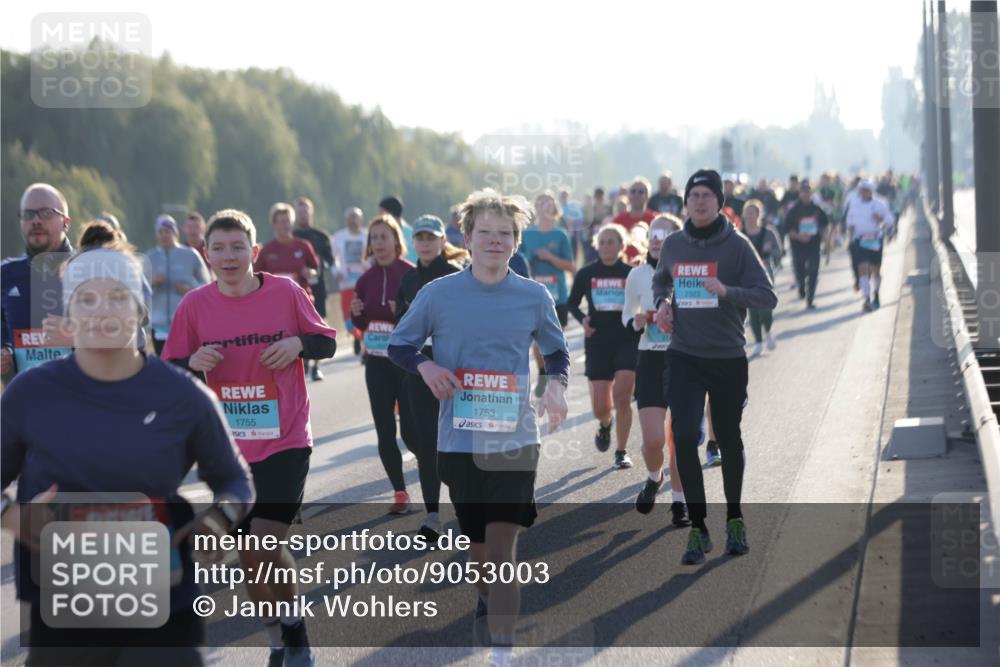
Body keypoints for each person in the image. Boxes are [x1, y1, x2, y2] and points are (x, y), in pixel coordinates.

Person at [2, 245, 254, 667]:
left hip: (163, 605)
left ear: (140, 310)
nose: (102, 310)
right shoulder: (29, 394)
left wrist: (219, 520)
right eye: (86, 298)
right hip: (63, 611)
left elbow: (235, 481)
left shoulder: (184, 396)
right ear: (66, 316)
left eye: (118, 296)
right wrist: (13, 518)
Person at [387, 189, 569, 663]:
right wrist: (426, 368)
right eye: (484, 232)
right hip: (459, 440)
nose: (494, 240)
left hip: (514, 439)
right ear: (466, 237)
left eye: (504, 234)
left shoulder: (533, 295)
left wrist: (556, 386)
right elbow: (399, 345)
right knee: (482, 550)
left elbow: (555, 351)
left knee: (504, 551)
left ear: (516, 241)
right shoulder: (438, 294)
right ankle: (486, 598)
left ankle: (502, 654)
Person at [163, 209, 337, 667]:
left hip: (286, 438)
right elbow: (167, 372)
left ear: (254, 252)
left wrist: (300, 344)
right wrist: (191, 362)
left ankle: (295, 631)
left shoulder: (286, 292)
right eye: (218, 248)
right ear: (205, 254)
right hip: (229, 446)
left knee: (262, 542)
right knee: (250, 557)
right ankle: (280, 640)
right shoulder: (194, 306)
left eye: (237, 247)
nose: (228, 256)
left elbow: (326, 341)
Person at [653, 169, 777, 565]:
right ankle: (699, 527)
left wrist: (728, 292)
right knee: (685, 436)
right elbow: (661, 282)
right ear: (686, 202)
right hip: (685, 355)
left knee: (726, 437)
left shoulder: (737, 246)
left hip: (726, 356)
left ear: (719, 201)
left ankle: (736, 519)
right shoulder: (672, 245)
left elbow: (767, 295)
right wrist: (662, 305)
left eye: (707, 195)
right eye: (694, 196)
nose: (700, 202)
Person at [394, 215, 468, 540]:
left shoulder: (456, 278)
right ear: (414, 242)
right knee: (422, 441)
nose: (425, 242)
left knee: (453, 442)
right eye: (420, 237)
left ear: (442, 241)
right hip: (419, 369)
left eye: (431, 237)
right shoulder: (408, 281)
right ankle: (434, 515)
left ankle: (450, 509)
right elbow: (400, 323)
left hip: (452, 369)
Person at [624, 214, 689, 526]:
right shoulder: (637, 275)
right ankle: (654, 476)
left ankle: (680, 503)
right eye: (654, 232)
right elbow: (627, 313)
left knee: (679, 435)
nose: (658, 238)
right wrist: (635, 322)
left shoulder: (688, 272)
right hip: (649, 359)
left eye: (665, 233)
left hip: (684, 359)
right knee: (653, 441)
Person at [351, 214, 418, 515]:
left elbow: (423, 323)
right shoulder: (365, 279)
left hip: (406, 365)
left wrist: (401, 312)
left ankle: (438, 470)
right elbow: (362, 322)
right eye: (373, 238)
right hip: (376, 364)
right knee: (384, 429)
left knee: (412, 433)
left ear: (395, 241)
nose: (378, 243)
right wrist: (356, 314)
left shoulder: (411, 274)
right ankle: (400, 491)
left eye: (383, 237)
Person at [568, 223, 638, 469]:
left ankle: (621, 451)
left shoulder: (631, 273)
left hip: (626, 340)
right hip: (597, 342)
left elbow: (643, 301)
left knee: (623, 396)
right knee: (600, 408)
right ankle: (605, 424)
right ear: (596, 245)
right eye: (603, 241)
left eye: (612, 241)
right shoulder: (586, 273)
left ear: (622, 246)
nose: (606, 245)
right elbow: (573, 303)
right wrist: (582, 320)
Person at [2, 183, 74, 379]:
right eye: (28, 215)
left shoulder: (92, 272)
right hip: (24, 404)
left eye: (45, 213)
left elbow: (132, 339)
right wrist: (4, 349)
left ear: (66, 222)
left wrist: (79, 338)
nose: (36, 221)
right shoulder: (5, 275)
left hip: (82, 403)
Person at [520, 191, 575, 397]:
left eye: (548, 203)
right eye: (540, 202)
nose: (544, 206)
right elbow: (518, 261)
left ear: (554, 208)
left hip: (557, 295)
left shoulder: (561, 235)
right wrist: (530, 260)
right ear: (535, 207)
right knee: (536, 340)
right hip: (534, 294)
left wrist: (550, 257)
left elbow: (571, 266)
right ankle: (543, 372)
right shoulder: (527, 234)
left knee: (554, 337)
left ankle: (557, 378)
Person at [145, 215, 211, 355]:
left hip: (184, 322)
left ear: (175, 233)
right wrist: (153, 281)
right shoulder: (150, 257)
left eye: (167, 231)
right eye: (160, 232)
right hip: (158, 324)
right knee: (163, 362)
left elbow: (207, 285)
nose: (164, 235)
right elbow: (138, 289)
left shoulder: (190, 255)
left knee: (184, 363)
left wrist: (189, 289)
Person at [293, 197, 335, 381]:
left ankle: (316, 366)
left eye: (305, 211)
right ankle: (304, 362)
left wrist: (316, 268)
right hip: (296, 288)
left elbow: (330, 261)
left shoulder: (321, 236)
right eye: (299, 211)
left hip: (317, 286)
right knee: (298, 326)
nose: (302, 214)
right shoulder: (290, 236)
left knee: (319, 324)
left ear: (311, 213)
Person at [845, 180, 895, 311]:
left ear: (871, 191)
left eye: (866, 190)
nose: (864, 192)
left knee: (875, 271)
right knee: (862, 268)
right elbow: (849, 220)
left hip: (875, 239)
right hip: (860, 240)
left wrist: (881, 219)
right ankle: (866, 298)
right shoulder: (854, 204)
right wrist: (850, 228)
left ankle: (876, 294)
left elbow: (890, 220)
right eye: (862, 190)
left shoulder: (879, 204)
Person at [253, 202, 321, 299]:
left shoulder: (303, 245)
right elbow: (256, 277)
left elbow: (317, 270)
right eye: (282, 221)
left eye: (288, 221)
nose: (285, 225)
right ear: (274, 224)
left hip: (301, 298)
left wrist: (310, 272)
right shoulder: (266, 250)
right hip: (275, 300)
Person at [783, 181, 830, 310]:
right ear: (800, 194)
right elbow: (788, 230)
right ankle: (801, 287)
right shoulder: (793, 211)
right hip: (798, 247)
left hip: (814, 245)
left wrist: (827, 243)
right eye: (803, 192)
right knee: (800, 271)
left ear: (811, 194)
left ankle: (810, 300)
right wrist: (799, 236)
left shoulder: (816, 209)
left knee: (814, 272)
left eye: (808, 192)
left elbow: (825, 226)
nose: (806, 195)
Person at [741, 200, 780, 356]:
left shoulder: (768, 233)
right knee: (753, 310)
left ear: (759, 214)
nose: (750, 216)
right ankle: (758, 342)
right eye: (747, 213)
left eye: (753, 213)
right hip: (745, 275)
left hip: (765, 274)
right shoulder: (740, 234)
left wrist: (771, 253)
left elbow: (778, 251)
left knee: (765, 308)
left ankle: (768, 330)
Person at [332, 207, 369, 355]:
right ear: (346, 220)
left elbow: (373, 258)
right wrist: (336, 272)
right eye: (350, 217)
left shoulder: (368, 236)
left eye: (356, 217)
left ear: (361, 220)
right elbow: (331, 259)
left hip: (365, 284)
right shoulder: (339, 237)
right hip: (346, 284)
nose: (353, 220)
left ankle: (366, 347)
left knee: (367, 317)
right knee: (349, 323)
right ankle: (358, 338)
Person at [613, 177, 658, 261]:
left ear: (648, 196)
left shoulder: (656, 221)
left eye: (641, 192)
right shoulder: (617, 222)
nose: (636, 195)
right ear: (628, 195)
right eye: (633, 191)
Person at [378, 196, 418, 264]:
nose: (378, 217)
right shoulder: (380, 234)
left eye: (381, 213)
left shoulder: (414, 235)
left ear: (389, 213)